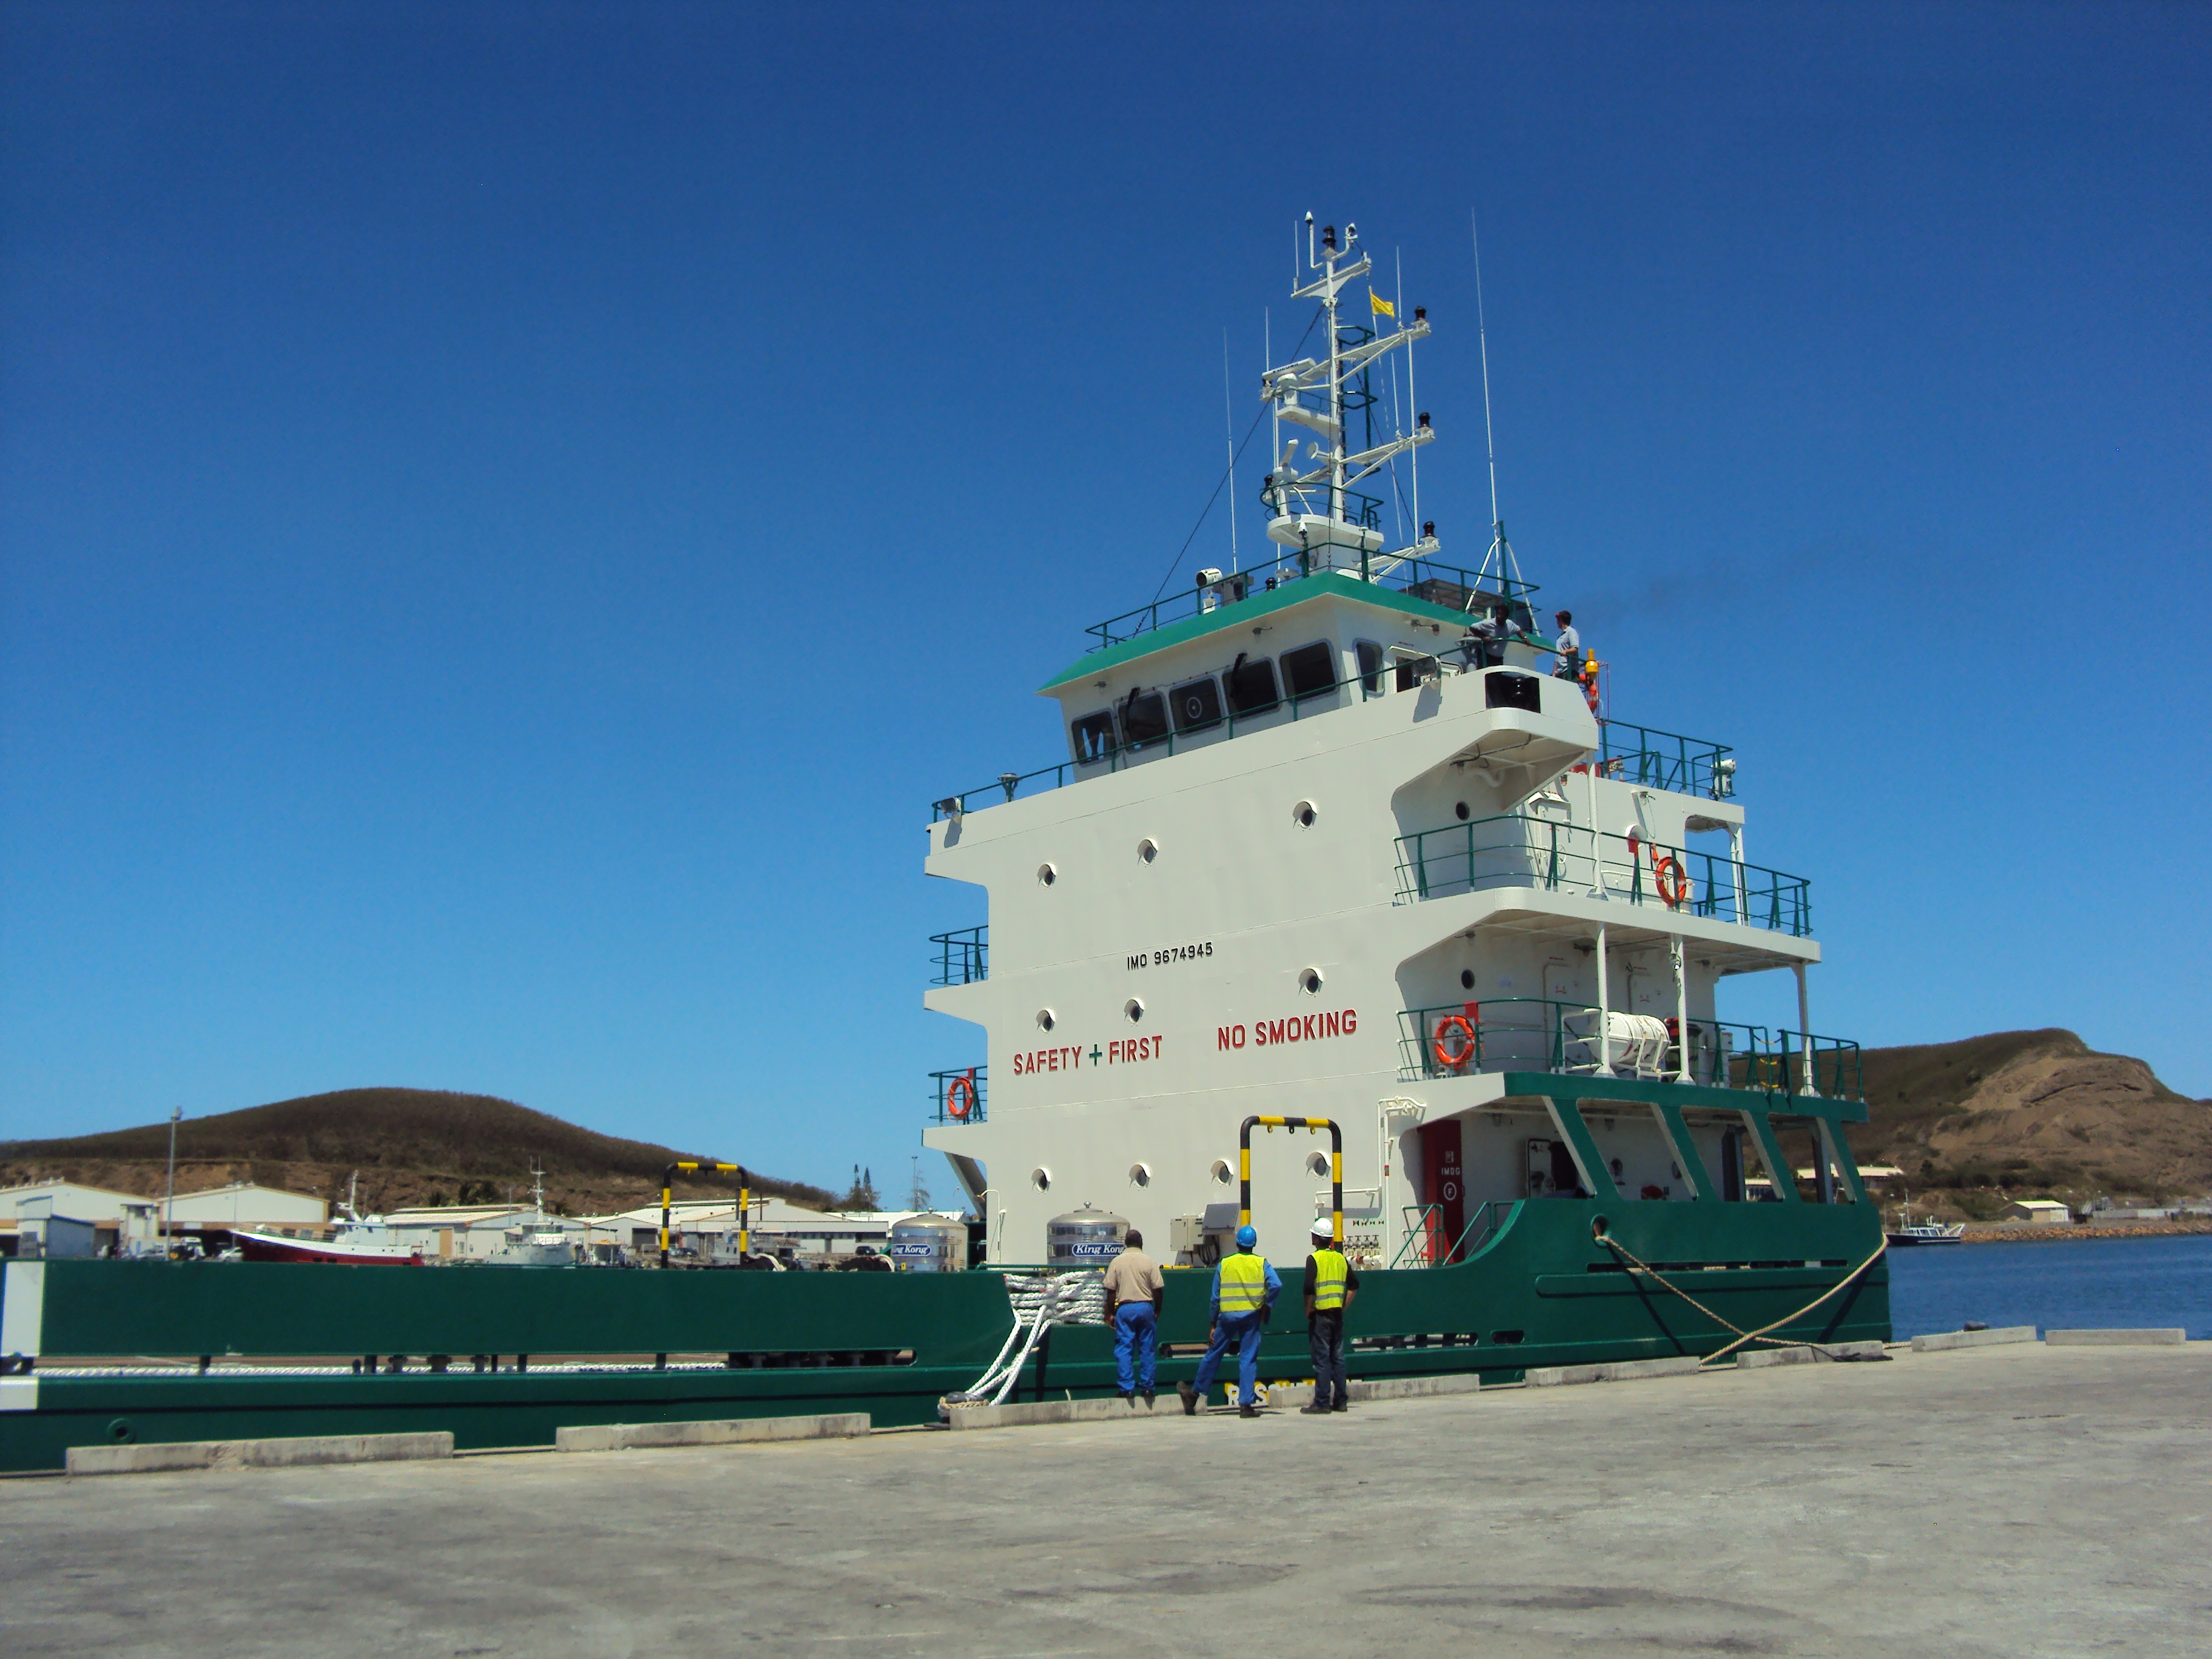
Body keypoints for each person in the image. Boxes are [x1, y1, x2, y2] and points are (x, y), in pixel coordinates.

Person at [1178, 1224, 1280, 1418]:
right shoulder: (1262, 1263)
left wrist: (1213, 1324)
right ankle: (1246, 1406)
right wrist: (1266, 1305)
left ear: (1237, 1243)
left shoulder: (1225, 1263)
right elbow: (1276, 1284)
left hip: (1227, 1317)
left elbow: (1215, 1298)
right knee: (1248, 1358)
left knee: (1214, 1354)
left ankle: (1194, 1395)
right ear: (1254, 1244)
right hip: (1251, 1317)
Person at [1299, 1219, 1360, 1415]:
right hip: (1337, 1314)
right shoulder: (1341, 1259)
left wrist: (1308, 1309)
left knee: (1322, 1359)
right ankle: (1341, 1401)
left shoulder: (1314, 1259)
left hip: (1321, 1315)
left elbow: (1309, 1287)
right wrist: (1343, 1307)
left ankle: (1322, 1402)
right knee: (1338, 1357)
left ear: (1317, 1239)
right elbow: (1354, 1285)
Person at [1102, 1228, 1165, 1407]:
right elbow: (1158, 1290)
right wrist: (1157, 1310)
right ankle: (1147, 1388)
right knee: (1147, 1349)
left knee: (1124, 1348)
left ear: (1125, 1244)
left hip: (1125, 1308)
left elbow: (1111, 1292)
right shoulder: (1149, 1262)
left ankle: (1126, 1388)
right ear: (1141, 1243)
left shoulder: (1117, 1262)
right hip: (1145, 1308)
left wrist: (1110, 1314)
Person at [1551, 609, 1581, 679]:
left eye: (1558, 620)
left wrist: (1566, 652)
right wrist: (1554, 672)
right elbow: (1558, 656)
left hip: (1569, 670)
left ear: (1561, 620)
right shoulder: (1560, 637)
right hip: (1559, 671)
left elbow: (1575, 649)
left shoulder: (1571, 632)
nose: (1557, 622)